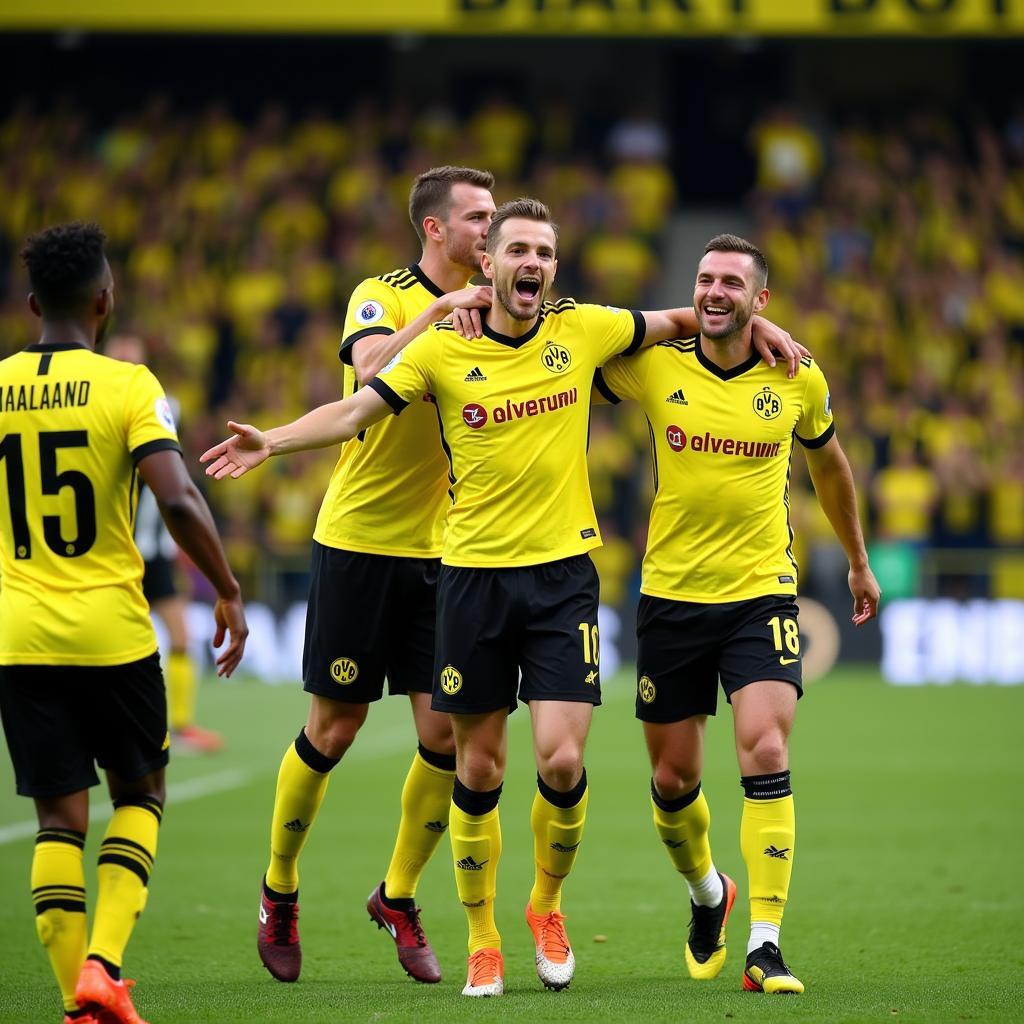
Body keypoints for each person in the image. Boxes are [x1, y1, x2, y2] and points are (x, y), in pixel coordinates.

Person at [201, 199, 806, 998]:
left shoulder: (582, 328)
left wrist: (751, 327)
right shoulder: (444, 349)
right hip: (470, 579)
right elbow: (356, 409)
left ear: (554, 269)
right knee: (477, 766)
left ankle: (544, 909)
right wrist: (271, 441)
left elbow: (682, 317)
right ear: (486, 264)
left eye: (545, 253)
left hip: (563, 580)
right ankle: (480, 937)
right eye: (515, 248)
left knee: (560, 757)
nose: (532, 263)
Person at [594, 233, 880, 995]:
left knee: (764, 746)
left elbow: (829, 463)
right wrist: (674, 320)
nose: (713, 291)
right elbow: (569, 340)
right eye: (704, 279)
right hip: (670, 598)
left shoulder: (797, 376)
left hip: (760, 594)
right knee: (672, 780)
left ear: (763, 300)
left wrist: (856, 559)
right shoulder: (656, 364)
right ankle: (707, 895)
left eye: (731, 283)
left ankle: (766, 944)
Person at [250, 166, 496, 986]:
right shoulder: (384, 294)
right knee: (336, 729)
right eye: (479, 218)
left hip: (443, 551)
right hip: (357, 541)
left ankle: (397, 895)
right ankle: (279, 887)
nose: (491, 232)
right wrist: (436, 312)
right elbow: (365, 377)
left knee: (446, 737)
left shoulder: (503, 303)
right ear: (435, 230)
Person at [0, 222, 248, 1024]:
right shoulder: (129, 385)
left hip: (18, 634)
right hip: (110, 629)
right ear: (105, 299)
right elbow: (176, 497)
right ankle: (103, 964)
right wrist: (228, 588)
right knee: (140, 793)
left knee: (55, 820)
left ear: (32, 303)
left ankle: (78, 1000)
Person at [105, 334, 224, 754]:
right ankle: (112, 723)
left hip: (153, 550)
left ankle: (183, 724)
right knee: (114, 644)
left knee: (179, 634)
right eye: (119, 356)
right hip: (114, 548)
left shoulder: (163, 407)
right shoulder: (97, 411)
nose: (126, 363)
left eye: (133, 358)